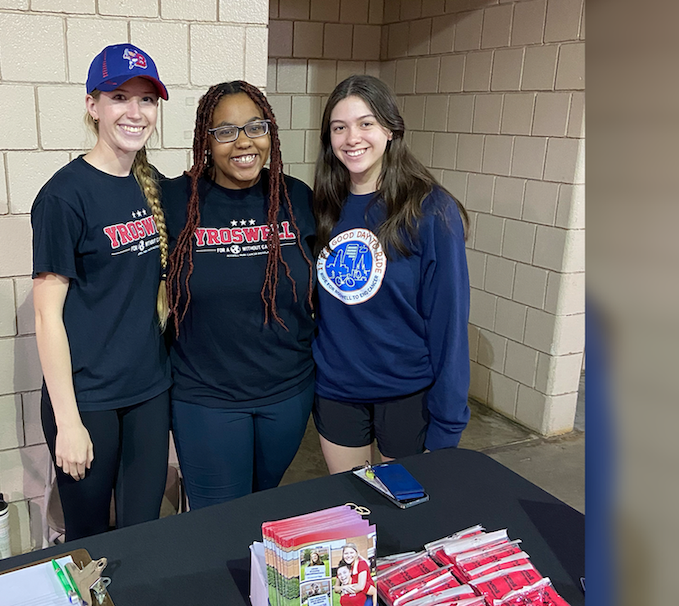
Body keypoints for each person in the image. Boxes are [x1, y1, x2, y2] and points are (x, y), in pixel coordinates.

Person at [31, 43, 171, 540]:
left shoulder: (149, 182)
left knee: (143, 533)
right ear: (93, 105)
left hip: (149, 392)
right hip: (88, 399)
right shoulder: (63, 196)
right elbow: (47, 316)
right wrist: (67, 421)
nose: (135, 112)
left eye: (147, 100)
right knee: (89, 540)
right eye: (119, 97)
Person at [161, 81, 316, 509]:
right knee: (220, 522)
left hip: (288, 393)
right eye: (226, 131)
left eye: (255, 127)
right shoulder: (175, 200)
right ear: (206, 141)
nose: (244, 141)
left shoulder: (297, 198)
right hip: (207, 398)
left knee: (264, 509)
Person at [311, 74, 470, 473]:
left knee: (405, 515)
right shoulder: (323, 206)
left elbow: (448, 322)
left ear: (390, 128)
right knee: (354, 513)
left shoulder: (431, 210)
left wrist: (448, 423)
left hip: (407, 394)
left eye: (366, 123)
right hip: (338, 391)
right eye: (339, 127)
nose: (352, 138)